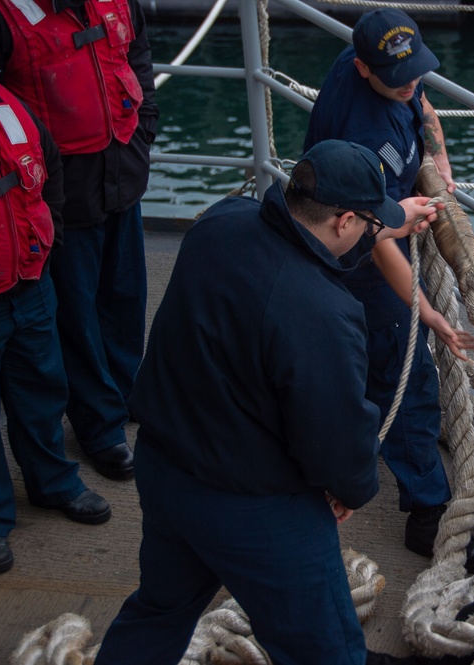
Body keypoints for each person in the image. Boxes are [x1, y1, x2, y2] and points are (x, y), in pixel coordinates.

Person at [93, 140, 445, 664]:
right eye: (372, 228)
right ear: (345, 221)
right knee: (327, 651)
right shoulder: (324, 312)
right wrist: (351, 487)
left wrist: (391, 222)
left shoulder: (220, 222)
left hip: (165, 469)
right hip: (255, 508)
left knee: (159, 610)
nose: (374, 236)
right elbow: (336, 437)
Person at [304, 7, 474, 572]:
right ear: (362, 69)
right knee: (405, 380)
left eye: (417, 68)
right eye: (396, 75)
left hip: (379, 224)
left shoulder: (388, 67)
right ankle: (429, 516)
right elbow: (371, 235)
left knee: (379, 374)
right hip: (361, 254)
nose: (410, 81)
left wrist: (437, 164)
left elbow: (423, 105)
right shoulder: (363, 135)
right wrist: (428, 313)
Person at [0, 0, 159, 481]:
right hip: (60, 194)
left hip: (123, 176)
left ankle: (124, 393)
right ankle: (101, 428)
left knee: (125, 299)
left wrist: (144, 129)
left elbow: (137, 52)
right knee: (75, 319)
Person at [0, 29, 111, 576]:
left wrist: (41, 249)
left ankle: (53, 484)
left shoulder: (8, 107)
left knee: (41, 389)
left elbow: (47, 175)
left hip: (28, 284)